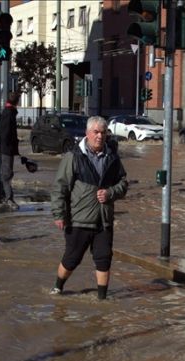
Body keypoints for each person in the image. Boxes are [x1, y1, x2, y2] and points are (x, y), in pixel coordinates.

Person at [50, 116, 128, 300]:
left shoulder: (112, 157)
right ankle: (58, 287)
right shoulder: (73, 157)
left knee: (103, 259)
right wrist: (59, 214)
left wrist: (110, 193)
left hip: (103, 219)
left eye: (103, 132)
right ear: (87, 133)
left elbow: (123, 183)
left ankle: (102, 299)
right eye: (96, 132)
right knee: (72, 259)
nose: (100, 136)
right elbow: (60, 187)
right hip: (79, 219)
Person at [0, 92, 21, 211]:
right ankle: (9, 199)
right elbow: (6, 134)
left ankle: (5, 196)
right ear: (16, 101)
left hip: (8, 149)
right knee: (7, 174)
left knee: (6, 173)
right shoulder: (9, 113)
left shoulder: (9, 112)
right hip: (6, 149)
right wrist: (11, 146)